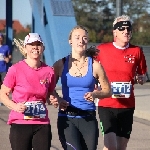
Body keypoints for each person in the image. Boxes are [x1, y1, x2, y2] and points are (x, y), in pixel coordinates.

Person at [50, 25, 112, 150]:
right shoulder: (60, 64)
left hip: (88, 119)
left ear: (87, 41)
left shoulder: (95, 66)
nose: (81, 40)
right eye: (77, 37)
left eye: (84, 38)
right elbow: (49, 89)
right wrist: (58, 99)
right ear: (70, 41)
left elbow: (108, 91)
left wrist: (95, 94)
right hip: (67, 118)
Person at [96, 15, 147, 150]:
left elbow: (143, 75)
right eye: (122, 28)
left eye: (128, 28)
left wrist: (141, 79)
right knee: (110, 146)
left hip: (127, 107)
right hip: (106, 105)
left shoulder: (137, 51)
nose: (126, 31)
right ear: (115, 32)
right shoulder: (102, 50)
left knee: (121, 147)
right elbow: (90, 70)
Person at [0, 33, 55, 150]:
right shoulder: (15, 69)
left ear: (42, 48)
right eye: (31, 44)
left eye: (38, 44)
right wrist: (14, 106)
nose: (35, 47)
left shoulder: (49, 71)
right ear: (25, 48)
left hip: (42, 123)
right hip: (20, 122)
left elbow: (51, 92)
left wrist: (54, 98)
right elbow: (2, 94)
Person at [0, 33, 12, 106]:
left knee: (4, 85)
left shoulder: (6, 47)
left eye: (1, 37)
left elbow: (9, 56)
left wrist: (8, 59)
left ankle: (4, 100)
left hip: (3, 68)